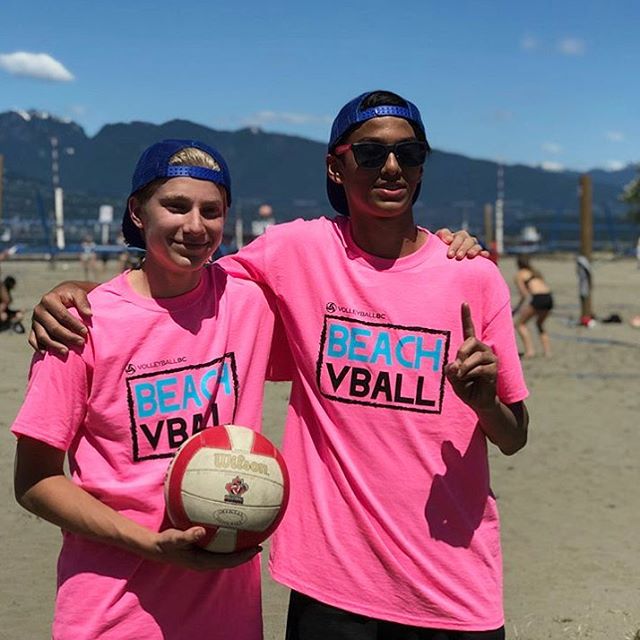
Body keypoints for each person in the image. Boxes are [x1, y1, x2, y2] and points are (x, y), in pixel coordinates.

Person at [30, 91, 523, 639]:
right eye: (370, 153)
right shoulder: (294, 253)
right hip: (327, 588)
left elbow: (515, 434)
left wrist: (485, 402)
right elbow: (165, 288)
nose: (391, 166)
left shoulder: (469, 277)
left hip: (448, 585)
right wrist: (83, 294)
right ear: (336, 166)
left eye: (410, 154)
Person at [12, 139, 291, 640]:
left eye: (211, 211)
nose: (195, 225)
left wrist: (442, 247)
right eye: (176, 206)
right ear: (137, 213)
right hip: (113, 611)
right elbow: (34, 482)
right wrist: (147, 543)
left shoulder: (249, 305)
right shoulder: (83, 325)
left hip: (227, 615)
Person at [513, 255, 554, 358]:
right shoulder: (535, 272)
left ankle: (530, 351)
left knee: (519, 324)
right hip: (549, 297)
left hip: (538, 298)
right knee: (539, 324)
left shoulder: (519, 275)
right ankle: (547, 352)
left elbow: (524, 294)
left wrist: (517, 308)